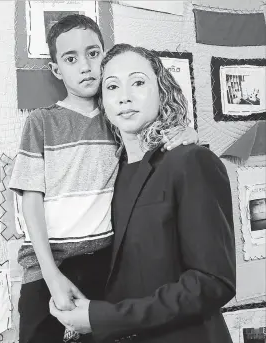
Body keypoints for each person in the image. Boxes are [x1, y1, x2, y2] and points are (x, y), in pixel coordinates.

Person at [9, 15, 198, 343]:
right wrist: (51, 275)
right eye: (71, 59)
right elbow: (31, 202)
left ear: (105, 57)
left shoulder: (119, 120)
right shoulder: (41, 122)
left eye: (93, 53)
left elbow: (158, 144)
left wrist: (184, 131)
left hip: (104, 265)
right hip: (46, 267)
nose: (85, 66)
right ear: (57, 70)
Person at [49, 44, 236, 343]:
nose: (124, 96)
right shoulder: (109, 175)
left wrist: (103, 318)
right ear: (103, 104)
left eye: (138, 82)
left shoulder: (190, 161)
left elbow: (213, 282)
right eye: (112, 87)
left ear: (162, 91)